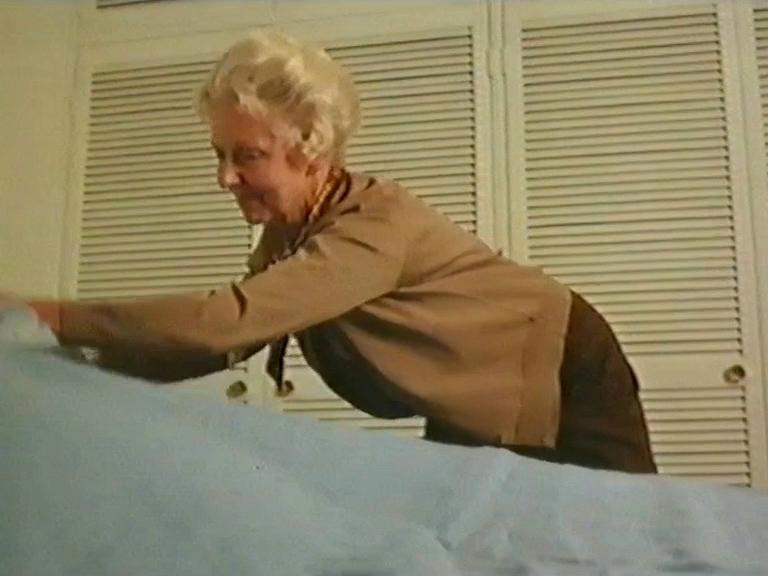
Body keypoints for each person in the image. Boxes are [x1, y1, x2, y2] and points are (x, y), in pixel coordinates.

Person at [8, 31, 656, 473]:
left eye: (247, 156)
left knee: (623, 538)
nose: (225, 177)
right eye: (220, 155)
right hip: (470, 394)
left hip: (561, 362)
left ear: (312, 151)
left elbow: (226, 321)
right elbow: (225, 346)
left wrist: (52, 315)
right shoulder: (288, 236)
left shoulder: (375, 226)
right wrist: (78, 367)